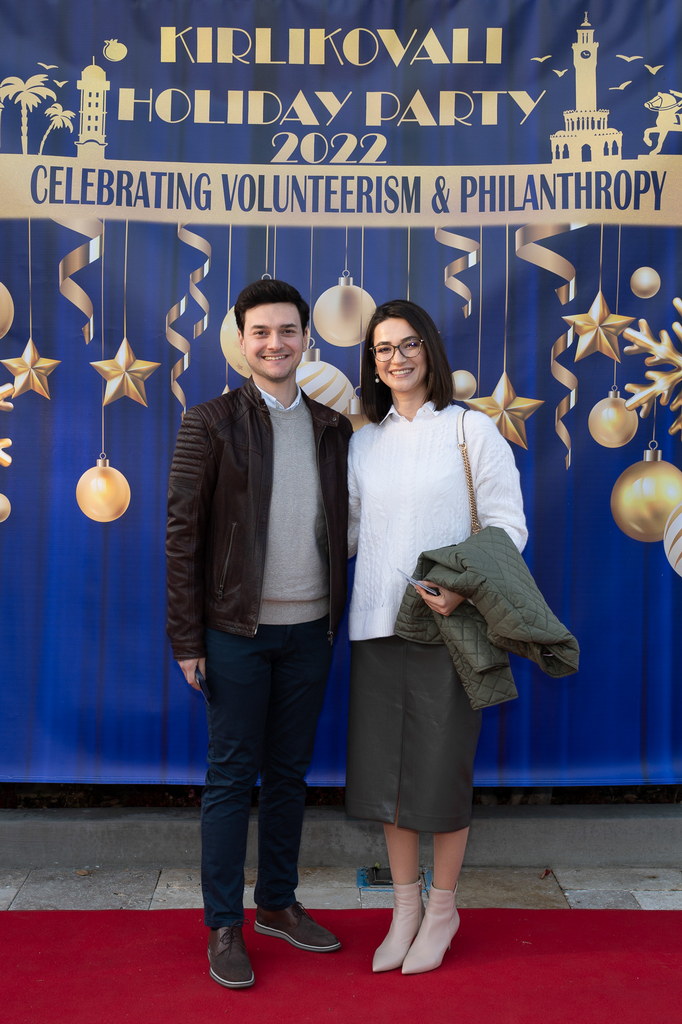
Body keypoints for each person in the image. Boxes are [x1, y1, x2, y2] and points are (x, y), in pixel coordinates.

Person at [166, 278, 352, 989]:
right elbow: (183, 536)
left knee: (290, 775)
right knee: (230, 776)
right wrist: (187, 640)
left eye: (287, 331)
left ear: (307, 337)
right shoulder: (209, 422)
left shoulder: (333, 427)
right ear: (241, 342)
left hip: (310, 631)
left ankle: (276, 902)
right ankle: (223, 924)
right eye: (261, 333)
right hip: (234, 632)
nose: (275, 343)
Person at [345, 299, 527, 975]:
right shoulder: (364, 442)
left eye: (408, 344)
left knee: (442, 772)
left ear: (430, 349)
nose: (396, 358)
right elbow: (350, 533)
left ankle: (443, 909)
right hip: (375, 624)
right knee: (386, 776)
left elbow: (507, 526)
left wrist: (461, 587)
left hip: (449, 626)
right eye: (383, 348)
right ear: (372, 362)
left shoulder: (471, 430)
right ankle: (405, 909)